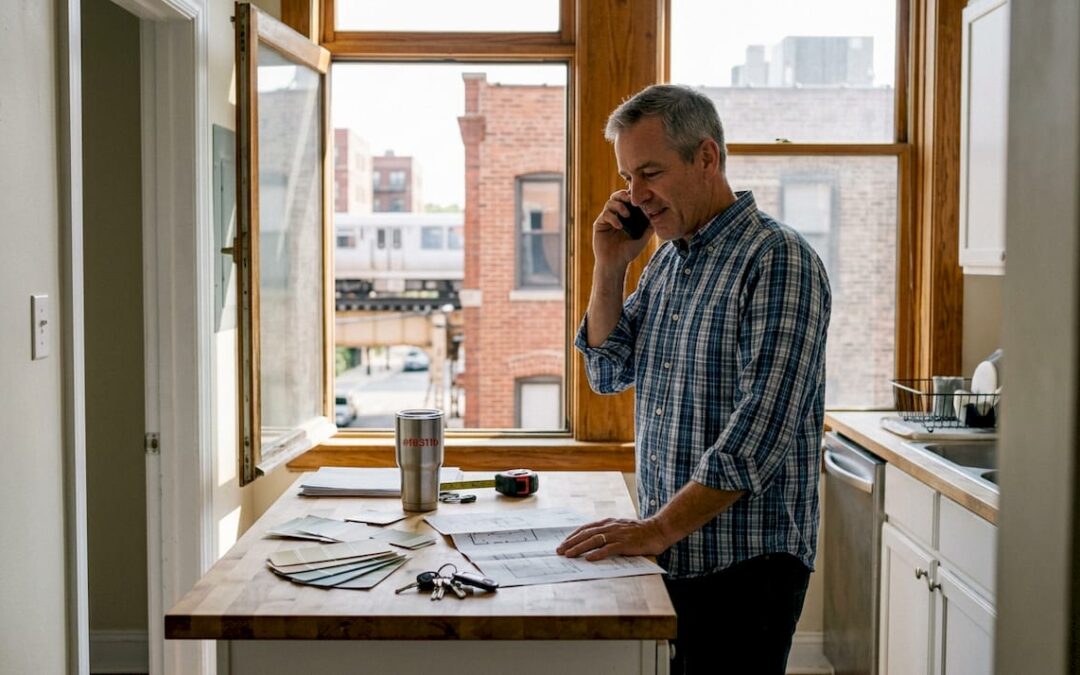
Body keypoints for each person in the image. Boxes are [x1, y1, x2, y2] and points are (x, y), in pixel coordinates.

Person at [556, 84, 831, 674]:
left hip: (746, 569)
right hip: (673, 552)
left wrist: (656, 529)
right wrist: (609, 267)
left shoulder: (778, 259)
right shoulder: (667, 260)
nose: (636, 195)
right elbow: (608, 370)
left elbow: (757, 436)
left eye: (650, 173)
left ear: (706, 157)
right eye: (628, 178)